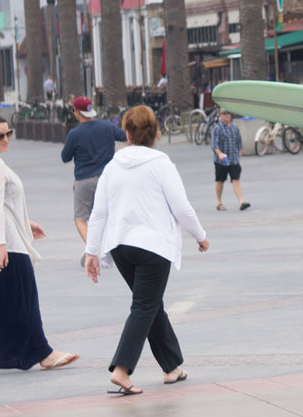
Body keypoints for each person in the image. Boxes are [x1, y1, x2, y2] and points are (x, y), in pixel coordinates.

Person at [83, 106, 208, 396]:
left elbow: (98, 214)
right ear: (155, 133)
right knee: (144, 306)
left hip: (121, 247)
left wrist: (92, 252)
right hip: (153, 247)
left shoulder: (112, 166)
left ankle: (171, 366)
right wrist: (200, 236)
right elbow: (181, 208)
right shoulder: (161, 163)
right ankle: (121, 369)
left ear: (126, 133)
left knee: (150, 304)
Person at [0, 115, 80, 379]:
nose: (6, 139)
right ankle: (44, 354)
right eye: (0, 136)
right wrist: (1, 245)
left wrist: (25, 222)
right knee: (23, 297)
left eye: (8, 133)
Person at [61, 96, 127, 265]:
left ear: (76, 112)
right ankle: (111, 249)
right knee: (109, 214)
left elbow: (65, 157)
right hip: (108, 178)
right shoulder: (107, 126)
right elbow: (125, 136)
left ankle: (93, 248)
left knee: (80, 217)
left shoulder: (74, 134)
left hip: (84, 180)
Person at [211, 109, 249, 211]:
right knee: (220, 181)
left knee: (236, 180)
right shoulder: (217, 128)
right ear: (220, 115)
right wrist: (219, 154)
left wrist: (239, 153)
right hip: (221, 161)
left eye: (229, 113)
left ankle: (241, 202)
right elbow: (214, 145)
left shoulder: (234, 128)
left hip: (234, 159)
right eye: (224, 113)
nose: (227, 115)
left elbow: (239, 142)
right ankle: (219, 202)